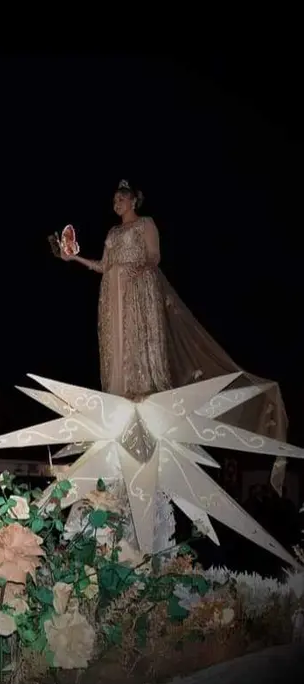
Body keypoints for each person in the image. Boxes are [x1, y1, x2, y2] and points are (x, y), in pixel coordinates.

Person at [62, 179, 289, 486]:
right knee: (116, 345)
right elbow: (103, 265)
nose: (115, 203)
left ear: (132, 201)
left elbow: (154, 256)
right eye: (113, 200)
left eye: (120, 199)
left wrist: (137, 271)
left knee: (137, 338)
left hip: (137, 288)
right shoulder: (113, 233)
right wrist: (73, 257)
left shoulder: (145, 224)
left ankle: (142, 387)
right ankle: (119, 392)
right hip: (111, 295)